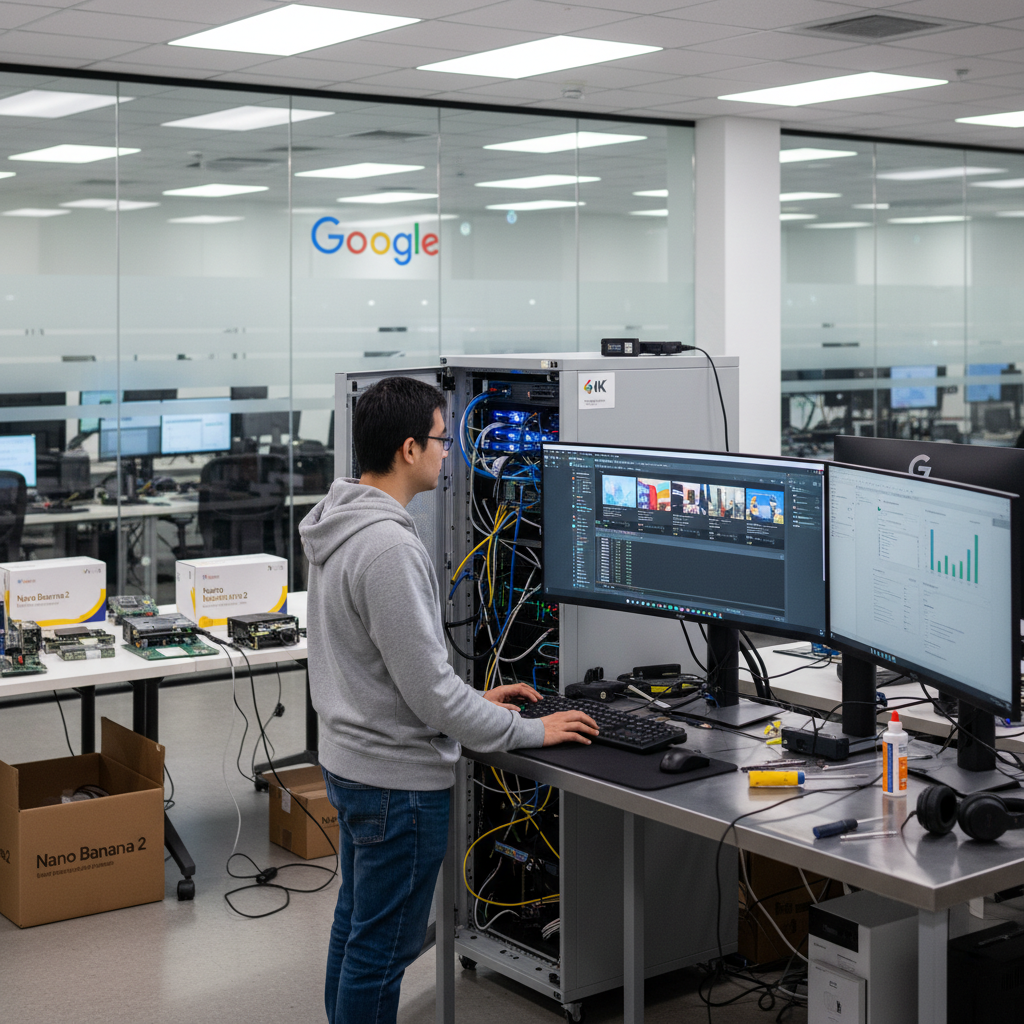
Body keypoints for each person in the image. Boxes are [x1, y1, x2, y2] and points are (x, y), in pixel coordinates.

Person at [300, 376, 598, 1024]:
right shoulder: (388, 547)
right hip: (397, 786)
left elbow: (382, 669)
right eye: (442, 439)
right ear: (409, 449)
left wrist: (474, 698)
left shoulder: (338, 521)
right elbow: (431, 696)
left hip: (353, 763)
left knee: (356, 927)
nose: (450, 452)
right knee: (382, 951)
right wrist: (532, 731)